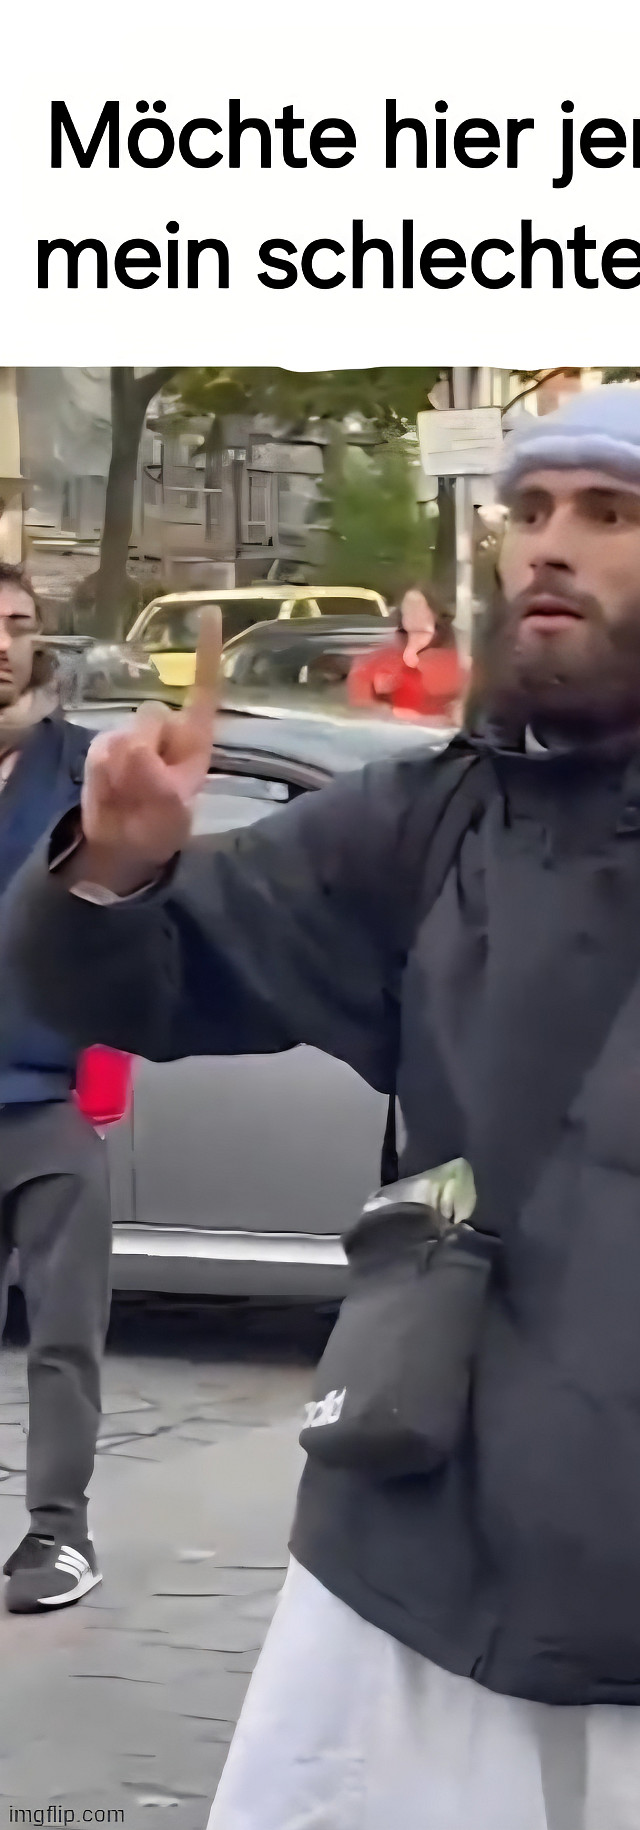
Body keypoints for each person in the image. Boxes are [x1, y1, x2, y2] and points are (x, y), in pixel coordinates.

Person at [3, 389, 640, 1830]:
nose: (551, 544)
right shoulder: (424, 822)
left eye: (608, 514)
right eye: (530, 511)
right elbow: (153, 985)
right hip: (396, 1589)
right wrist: (112, 869)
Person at [0, 563, 108, 1613]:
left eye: (18, 623)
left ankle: (58, 1536)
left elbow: (132, 907)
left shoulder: (80, 768)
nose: (2, 641)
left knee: (63, 1334)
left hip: (52, 1095)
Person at [348, 582, 466, 720]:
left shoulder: (454, 653)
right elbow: (359, 696)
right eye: (408, 610)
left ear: (434, 614)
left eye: (420, 608)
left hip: (435, 726)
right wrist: (377, 693)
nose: (413, 615)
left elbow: (469, 694)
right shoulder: (386, 651)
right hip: (396, 726)